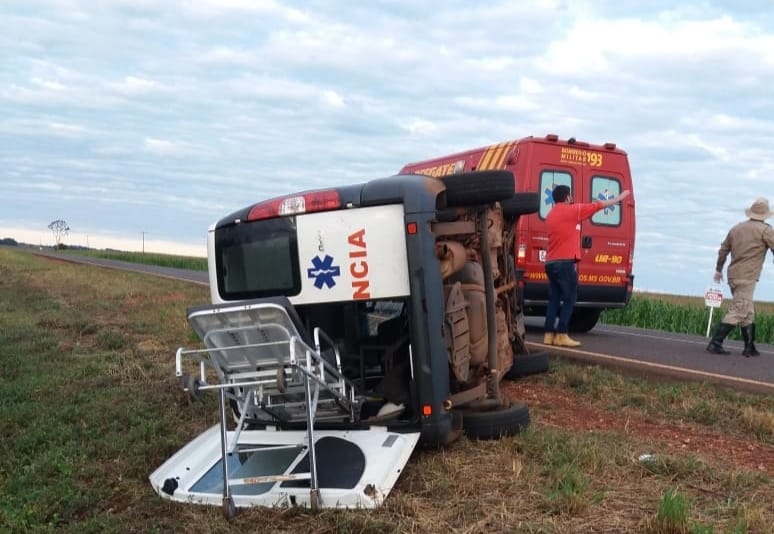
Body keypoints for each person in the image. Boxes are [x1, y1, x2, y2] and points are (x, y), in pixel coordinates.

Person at [543, 185, 631, 347]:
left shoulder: (550, 215)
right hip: (565, 262)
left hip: (550, 263)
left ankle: (548, 335)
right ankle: (562, 334)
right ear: (568, 197)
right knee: (570, 297)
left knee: (554, 298)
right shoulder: (573, 211)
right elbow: (598, 206)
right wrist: (620, 197)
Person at [706, 197, 774, 356]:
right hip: (748, 276)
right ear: (765, 214)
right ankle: (715, 343)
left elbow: (723, 250)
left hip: (733, 276)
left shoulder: (736, 228)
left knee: (747, 311)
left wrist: (718, 269)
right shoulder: (765, 230)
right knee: (740, 309)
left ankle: (749, 347)